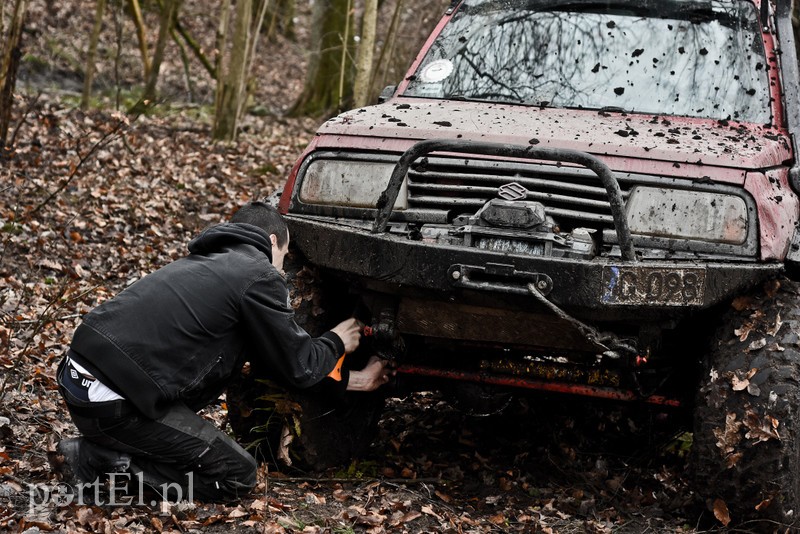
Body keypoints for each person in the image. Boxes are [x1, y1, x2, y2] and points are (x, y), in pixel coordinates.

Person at [53, 201, 391, 502]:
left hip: (79, 383)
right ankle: (95, 462)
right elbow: (299, 366)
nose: (283, 269)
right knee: (237, 476)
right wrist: (336, 340)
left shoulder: (208, 264)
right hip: (114, 405)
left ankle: (105, 451)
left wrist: (355, 381)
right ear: (273, 242)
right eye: (285, 257)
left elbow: (276, 362)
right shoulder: (258, 275)